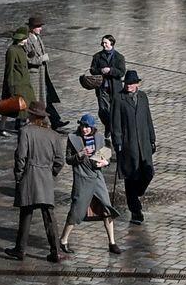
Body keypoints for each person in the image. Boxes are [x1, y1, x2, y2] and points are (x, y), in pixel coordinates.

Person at [61, 114, 122, 256]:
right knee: (77, 209)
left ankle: (112, 242)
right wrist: (80, 154)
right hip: (82, 178)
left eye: (87, 127)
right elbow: (68, 159)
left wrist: (105, 162)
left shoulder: (100, 138)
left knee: (107, 207)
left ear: (92, 127)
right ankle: (63, 240)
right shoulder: (73, 138)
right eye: (82, 126)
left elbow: (106, 155)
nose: (84, 129)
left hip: (97, 178)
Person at [12, 105, 66, 261]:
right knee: (49, 215)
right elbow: (60, 161)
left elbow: (21, 156)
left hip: (29, 175)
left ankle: (20, 249)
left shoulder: (25, 131)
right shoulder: (53, 135)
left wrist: (19, 176)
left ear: (32, 116)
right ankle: (56, 251)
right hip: (46, 177)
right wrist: (50, 173)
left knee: (26, 213)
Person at [113, 71, 157, 224]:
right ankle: (135, 211)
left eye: (131, 84)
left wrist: (152, 138)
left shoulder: (143, 97)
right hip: (128, 144)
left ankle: (137, 193)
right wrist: (118, 142)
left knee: (148, 172)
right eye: (127, 83)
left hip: (144, 143)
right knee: (130, 177)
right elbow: (115, 123)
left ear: (137, 84)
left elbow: (148, 118)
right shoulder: (119, 98)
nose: (128, 86)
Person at [87, 33, 127, 140]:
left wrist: (110, 70)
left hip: (115, 88)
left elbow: (121, 72)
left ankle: (115, 128)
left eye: (106, 43)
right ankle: (108, 125)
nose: (103, 45)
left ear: (112, 43)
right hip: (102, 88)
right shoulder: (97, 56)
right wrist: (101, 70)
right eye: (103, 43)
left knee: (115, 110)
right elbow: (92, 70)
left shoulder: (119, 57)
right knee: (103, 110)